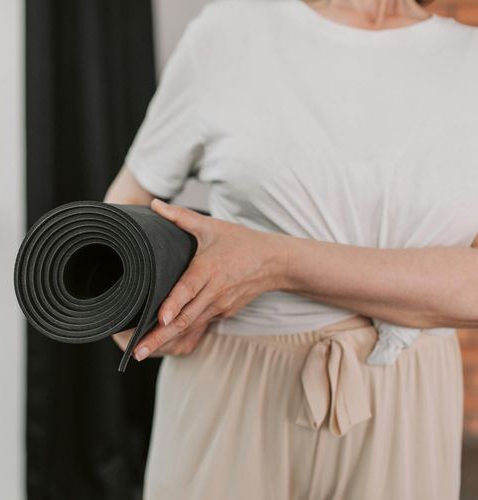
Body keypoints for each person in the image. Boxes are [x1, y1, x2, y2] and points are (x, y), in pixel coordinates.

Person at [104, 0, 478, 498]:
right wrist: (128, 315)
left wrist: (275, 261)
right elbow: (126, 203)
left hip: (407, 402)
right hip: (231, 389)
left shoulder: (468, 62)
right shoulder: (231, 30)